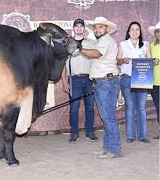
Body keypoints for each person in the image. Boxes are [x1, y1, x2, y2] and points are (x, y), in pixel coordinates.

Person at [80, 17, 121, 159]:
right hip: (103, 82)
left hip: (106, 83)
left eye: (100, 27)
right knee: (106, 117)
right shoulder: (102, 41)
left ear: (106, 29)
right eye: (95, 27)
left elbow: (96, 54)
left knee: (109, 118)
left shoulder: (106, 41)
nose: (97, 30)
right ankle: (108, 147)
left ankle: (114, 150)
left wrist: (78, 48)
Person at [62, 19, 98, 143]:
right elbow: (63, 65)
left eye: (81, 26)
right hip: (74, 79)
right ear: (73, 28)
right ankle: (74, 132)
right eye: (76, 26)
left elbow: (97, 60)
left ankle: (90, 131)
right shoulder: (67, 43)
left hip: (89, 78)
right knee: (74, 107)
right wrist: (64, 82)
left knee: (90, 107)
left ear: (84, 29)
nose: (79, 28)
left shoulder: (92, 43)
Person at [116, 21, 152, 144]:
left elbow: (149, 60)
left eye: (137, 29)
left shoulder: (146, 45)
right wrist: (123, 60)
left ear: (140, 32)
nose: (135, 31)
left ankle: (143, 135)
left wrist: (154, 61)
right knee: (130, 107)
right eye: (132, 29)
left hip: (142, 77)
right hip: (127, 78)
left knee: (141, 107)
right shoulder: (122, 44)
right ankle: (130, 135)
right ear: (128, 31)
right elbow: (117, 61)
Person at [148, 22, 160, 139]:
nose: (159, 34)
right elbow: (146, 63)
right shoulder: (150, 46)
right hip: (155, 82)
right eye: (157, 31)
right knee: (159, 107)